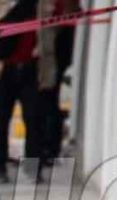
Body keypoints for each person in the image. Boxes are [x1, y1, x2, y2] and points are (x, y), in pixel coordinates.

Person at [0, 0, 44, 183]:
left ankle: (33, 166)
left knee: (34, 117)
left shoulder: (41, 5)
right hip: (1, 70)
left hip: (31, 68)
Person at [37, 0, 79, 164]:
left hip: (54, 51)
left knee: (48, 99)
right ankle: (45, 148)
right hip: (46, 51)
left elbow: (69, 12)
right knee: (44, 101)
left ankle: (49, 149)